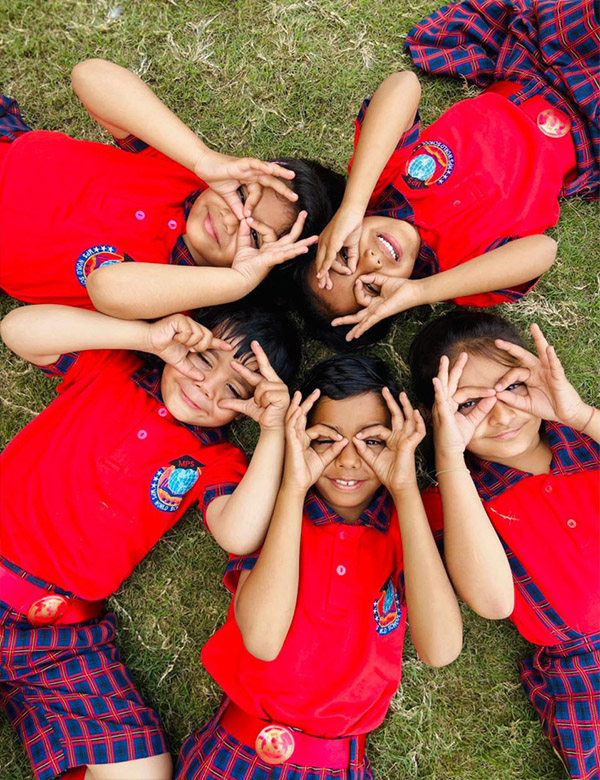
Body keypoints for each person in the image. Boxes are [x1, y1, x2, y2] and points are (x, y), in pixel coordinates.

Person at [0, 301, 300, 780]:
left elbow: (240, 533)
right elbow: (18, 330)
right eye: (203, 360)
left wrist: (271, 433)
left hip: (62, 641)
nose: (208, 386)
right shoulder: (112, 366)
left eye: (234, 390)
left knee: (144, 771)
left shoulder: (217, 459)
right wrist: (144, 337)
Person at [175, 354, 463, 779]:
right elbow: (262, 640)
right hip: (233, 756)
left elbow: (440, 650)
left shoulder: (411, 524)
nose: (348, 460)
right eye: (326, 439)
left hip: (338, 766)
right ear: (301, 438)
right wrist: (293, 487)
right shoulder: (269, 508)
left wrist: (404, 488)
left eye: (373, 440)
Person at [297, 0, 598, 347]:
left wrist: (352, 205)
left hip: (538, 68)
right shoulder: (458, 274)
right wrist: (421, 291)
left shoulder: (381, 187)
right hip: (588, 140)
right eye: (370, 286)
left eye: (344, 256)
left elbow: (404, 86)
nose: (372, 260)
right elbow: (543, 250)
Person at [408, 310, 599, 779]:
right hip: (587, 673)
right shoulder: (456, 502)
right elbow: (494, 601)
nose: (502, 413)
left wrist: (580, 415)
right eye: (469, 404)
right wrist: (450, 455)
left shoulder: (589, 442)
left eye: (513, 387)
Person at [0, 58, 344, 318]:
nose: (230, 218)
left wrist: (239, 281)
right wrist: (202, 158)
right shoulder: (185, 174)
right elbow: (89, 76)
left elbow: (106, 286)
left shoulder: (175, 295)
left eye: (253, 235)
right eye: (242, 195)